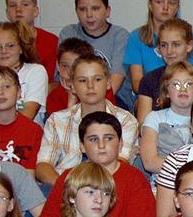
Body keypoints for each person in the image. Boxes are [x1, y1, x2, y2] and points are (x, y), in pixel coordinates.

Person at [39, 112, 155, 217]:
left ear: (121, 143)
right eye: (93, 139)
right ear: (82, 146)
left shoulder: (134, 178)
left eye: (109, 138)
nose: (101, 145)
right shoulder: (69, 177)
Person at [35, 54, 139, 185]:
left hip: (107, 187)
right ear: (72, 86)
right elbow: (43, 165)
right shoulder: (57, 120)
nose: (90, 86)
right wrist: (66, 188)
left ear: (108, 83)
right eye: (82, 80)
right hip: (63, 185)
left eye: (97, 79)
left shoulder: (126, 121)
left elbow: (119, 164)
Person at [58, 0, 131, 105]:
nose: (89, 15)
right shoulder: (69, 33)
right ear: (76, 11)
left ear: (107, 11)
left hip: (113, 99)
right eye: (83, 9)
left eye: (95, 8)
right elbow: (64, 75)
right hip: (74, 95)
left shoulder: (120, 36)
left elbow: (114, 83)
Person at [133, 18, 193, 120]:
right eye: (164, 45)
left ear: (189, 46)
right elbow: (143, 125)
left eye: (176, 44)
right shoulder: (149, 79)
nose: (169, 51)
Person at [140, 60, 193, 174]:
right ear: (166, 92)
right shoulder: (155, 118)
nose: (183, 89)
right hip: (162, 183)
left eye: (189, 84)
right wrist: (191, 168)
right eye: (176, 84)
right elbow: (149, 162)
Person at [123, 0, 181, 94]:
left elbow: (191, 74)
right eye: (159, 2)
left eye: (172, 3)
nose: (165, 7)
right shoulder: (136, 37)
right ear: (150, 5)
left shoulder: (187, 35)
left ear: (177, 7)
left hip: (180, 94)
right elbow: (137, 83)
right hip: (147, 95)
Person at [3, 0, 59, 81]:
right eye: (13, 5)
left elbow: (51, 82)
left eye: (25, 4)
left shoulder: (51, 41)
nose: (18, 10)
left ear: (35, 11)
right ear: (7, 13)